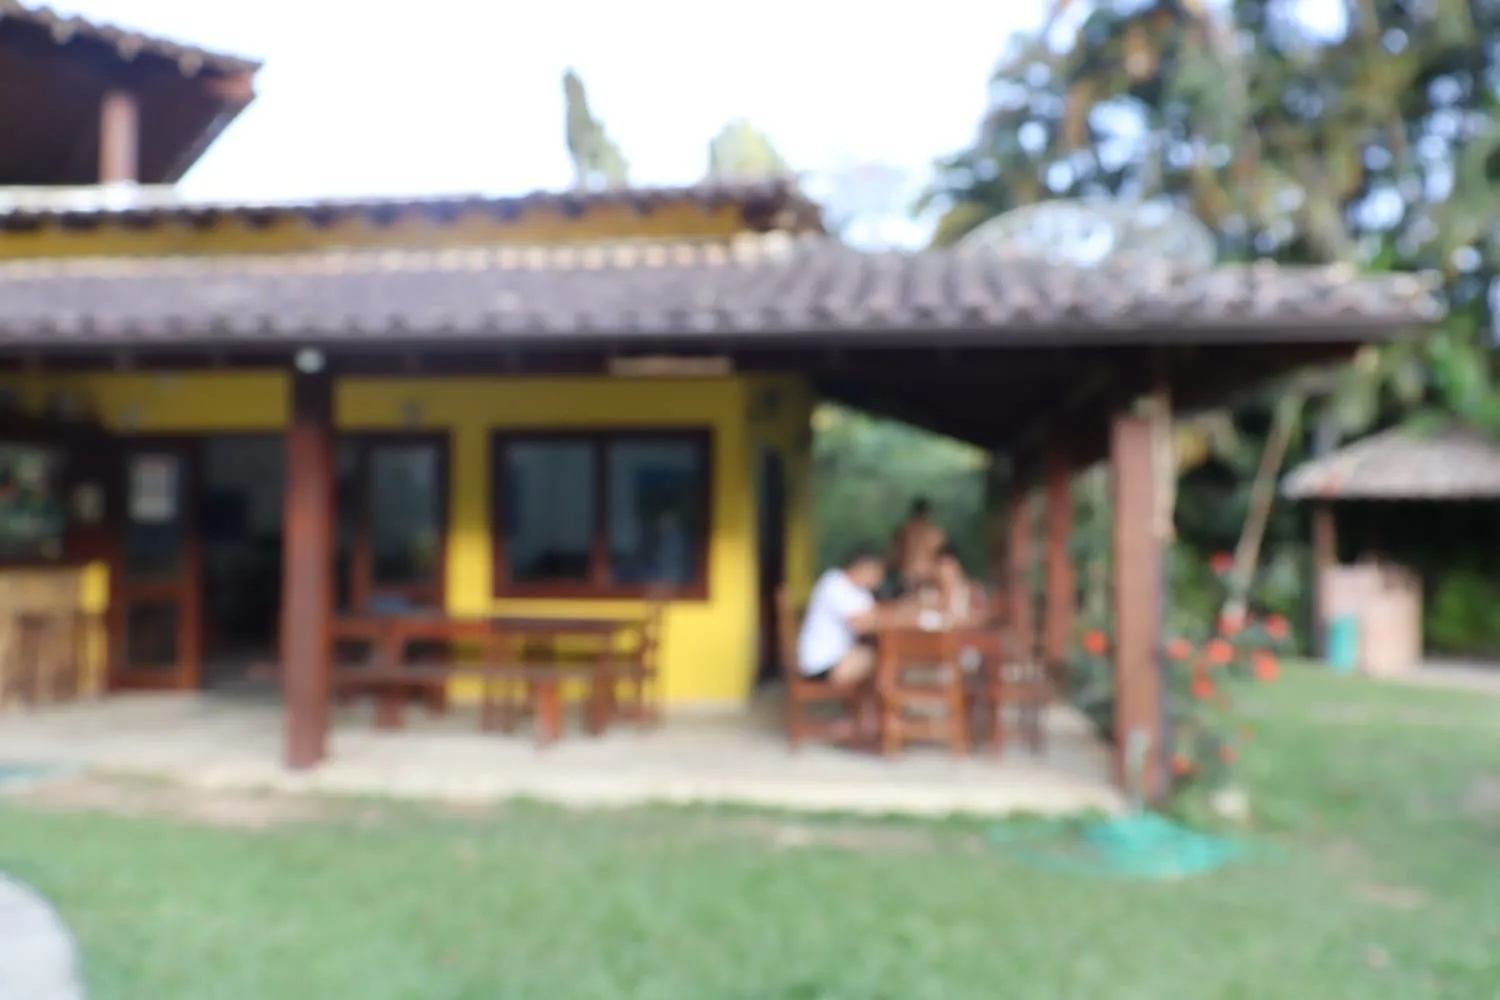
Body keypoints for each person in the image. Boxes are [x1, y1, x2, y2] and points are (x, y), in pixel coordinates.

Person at [797, 546, 886, 686]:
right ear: (865, 568)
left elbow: (875, 617)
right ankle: (880, 705)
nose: (880, 579)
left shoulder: (862, 591)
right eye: (878, 573)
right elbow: (861, 624)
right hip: (823, 664)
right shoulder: (834, 583)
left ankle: (873, 705)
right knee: (886, 659)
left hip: (844, 656)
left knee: (886, 657)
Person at [890, 497, 947, 595]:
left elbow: (894, 555)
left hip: (908, 575)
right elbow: (943, 558)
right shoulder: (936, 533)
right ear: (928, 513)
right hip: (929, 573)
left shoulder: (904, 531)